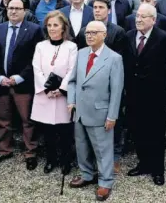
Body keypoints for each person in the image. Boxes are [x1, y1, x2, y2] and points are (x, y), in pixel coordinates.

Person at [68, 21, 124, 202]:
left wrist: (112, 116)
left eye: (94, 32)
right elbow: (73, 81)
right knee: (81, 147)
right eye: (87, 33)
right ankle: (86, 174)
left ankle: (105, 182)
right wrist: (71, 101)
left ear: (104, 35)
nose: (89, 35)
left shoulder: (114, 58)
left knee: (102, 150)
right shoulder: (82, 53)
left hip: (101, 112)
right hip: (80, 111)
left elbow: (117, 90)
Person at [0, 0, 43, 170]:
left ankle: (30, 152)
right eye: (10, 8)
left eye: (17, 8)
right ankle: (5, 150)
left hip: (23, 83)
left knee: (27, 120)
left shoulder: (34, 30)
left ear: (24, 11)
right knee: (3, 119)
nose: (13, 11)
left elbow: (36, 58)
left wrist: (19, 77)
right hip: (1, 83)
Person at [124, 3, 166, 186]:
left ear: (153, 19)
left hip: (154, 95)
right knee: (137, 130)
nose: (139, 19)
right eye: (137, 16)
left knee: (156, 133)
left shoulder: (164, 38)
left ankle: (157, 169)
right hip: (133, 94)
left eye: (143, 16)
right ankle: (143, 163)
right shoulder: (128, 36)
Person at [31, 11, 78, 175]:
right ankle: (51, 160)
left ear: (64, 27)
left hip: (62, 97)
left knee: (65, 132)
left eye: (56, 25)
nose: (52, 28)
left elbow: (72, 70)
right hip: (45, 95)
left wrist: (61, 89)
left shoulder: (71, 47)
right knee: (48, 132)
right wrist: (47, 88)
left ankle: (66, 161)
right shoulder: (40, 46)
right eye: (49, 25)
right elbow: (36, 68)